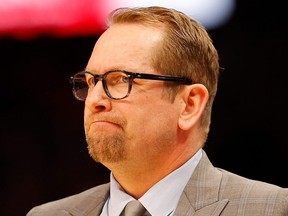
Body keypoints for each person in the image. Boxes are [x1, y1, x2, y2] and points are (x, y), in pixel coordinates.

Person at [27, 6, 288, 216]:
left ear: (189, 105)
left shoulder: (273, 209)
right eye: (91, 81)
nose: (95, 99)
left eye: (121, 79)